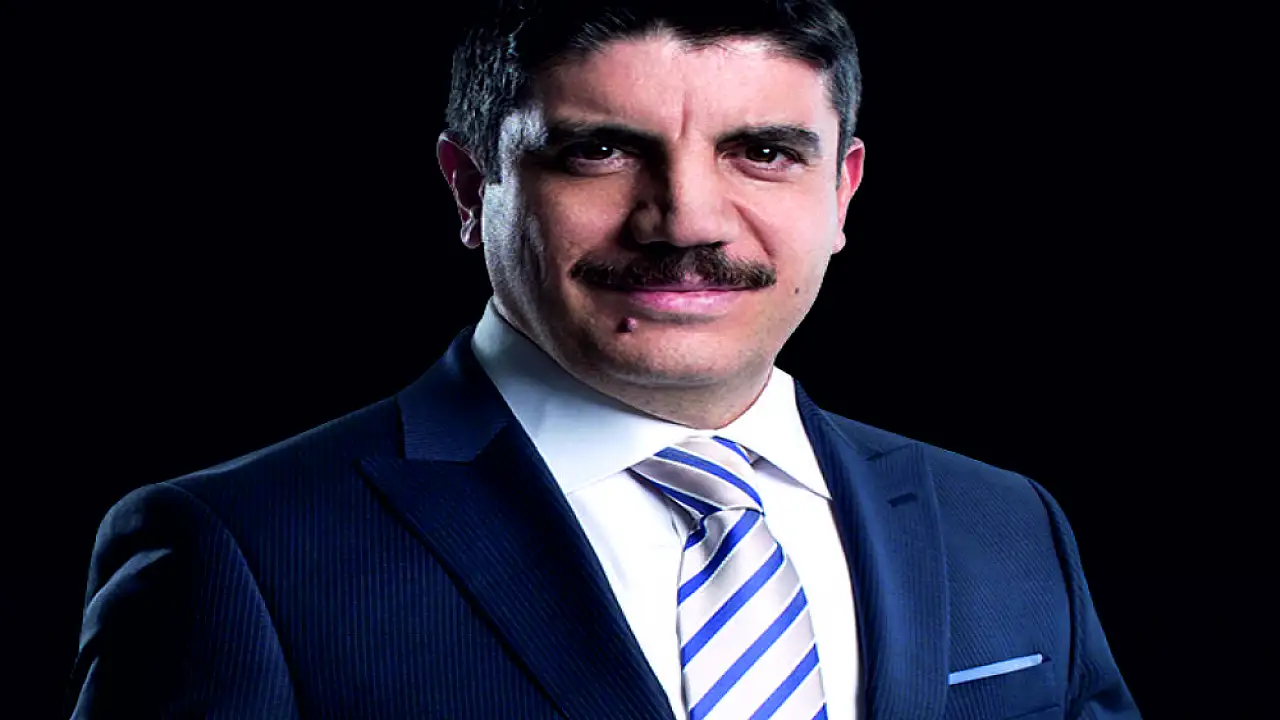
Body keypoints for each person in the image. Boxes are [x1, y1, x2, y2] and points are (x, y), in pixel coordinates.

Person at [67, 1, 1139, 718]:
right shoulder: (241, 554)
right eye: (601, 150)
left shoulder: (1006, 525)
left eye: (762, 152)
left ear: (842, 190)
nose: (686, 220)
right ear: (467, 187)